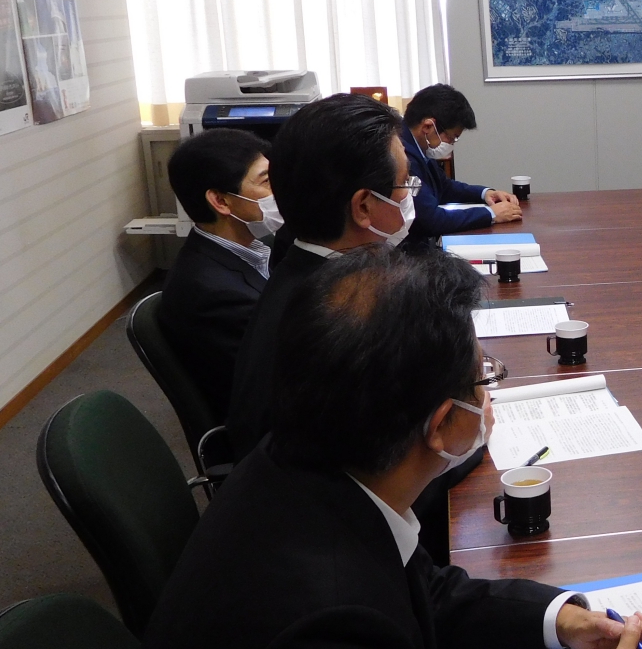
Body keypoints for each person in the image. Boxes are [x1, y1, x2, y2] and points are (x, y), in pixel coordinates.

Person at [105, 248, 642, 649]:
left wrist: (567, 622)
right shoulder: (324, 626)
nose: (487, 394)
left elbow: (422, 588)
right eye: (483, 378)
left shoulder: (301, 461)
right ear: (441, 424)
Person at [225, 94, 416, 462]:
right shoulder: (338, 316)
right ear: (363, 206)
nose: (409, 197)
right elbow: (387, 457)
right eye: (404, 184)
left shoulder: (306, 269)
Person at [157, 129, 278, 418]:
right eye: (267, 181)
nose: (281, 191)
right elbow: (277, 385)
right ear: (221, 202)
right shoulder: (214, 294)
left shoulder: (246, 250)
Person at [402, 83, 521, 251]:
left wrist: (484, 193)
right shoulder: (403, 156)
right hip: (408, 253)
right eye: (452, 137)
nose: (451, 144)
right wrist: (491, 214)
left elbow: (444, 187)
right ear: (428, 127)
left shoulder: (419, 147)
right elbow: (431, 220)